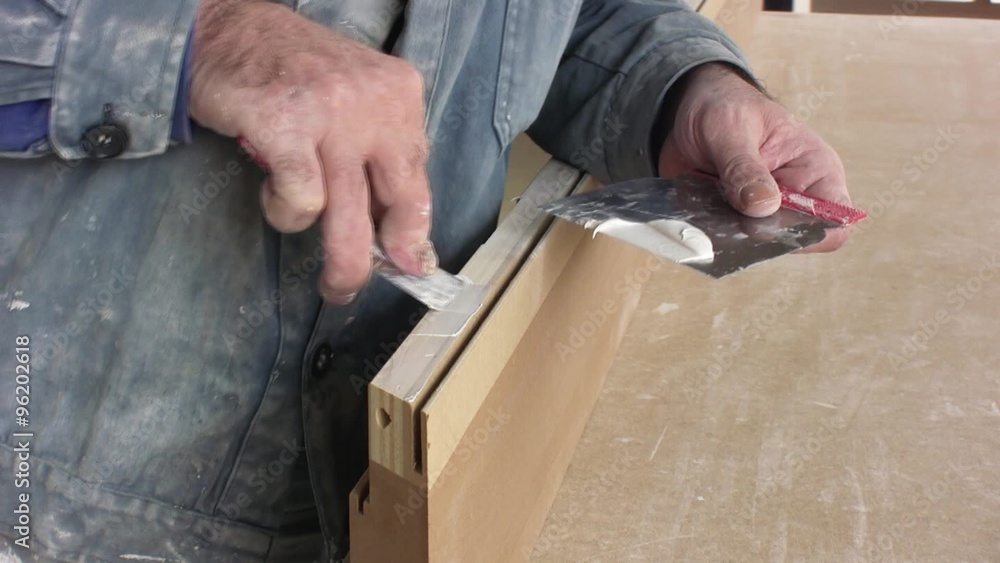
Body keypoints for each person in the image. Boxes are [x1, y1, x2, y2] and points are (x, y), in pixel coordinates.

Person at [0, 0, 852, 560]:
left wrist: (679, 89)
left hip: (390, 487)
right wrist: (210, 36)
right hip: (52, 500)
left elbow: (571, 17)